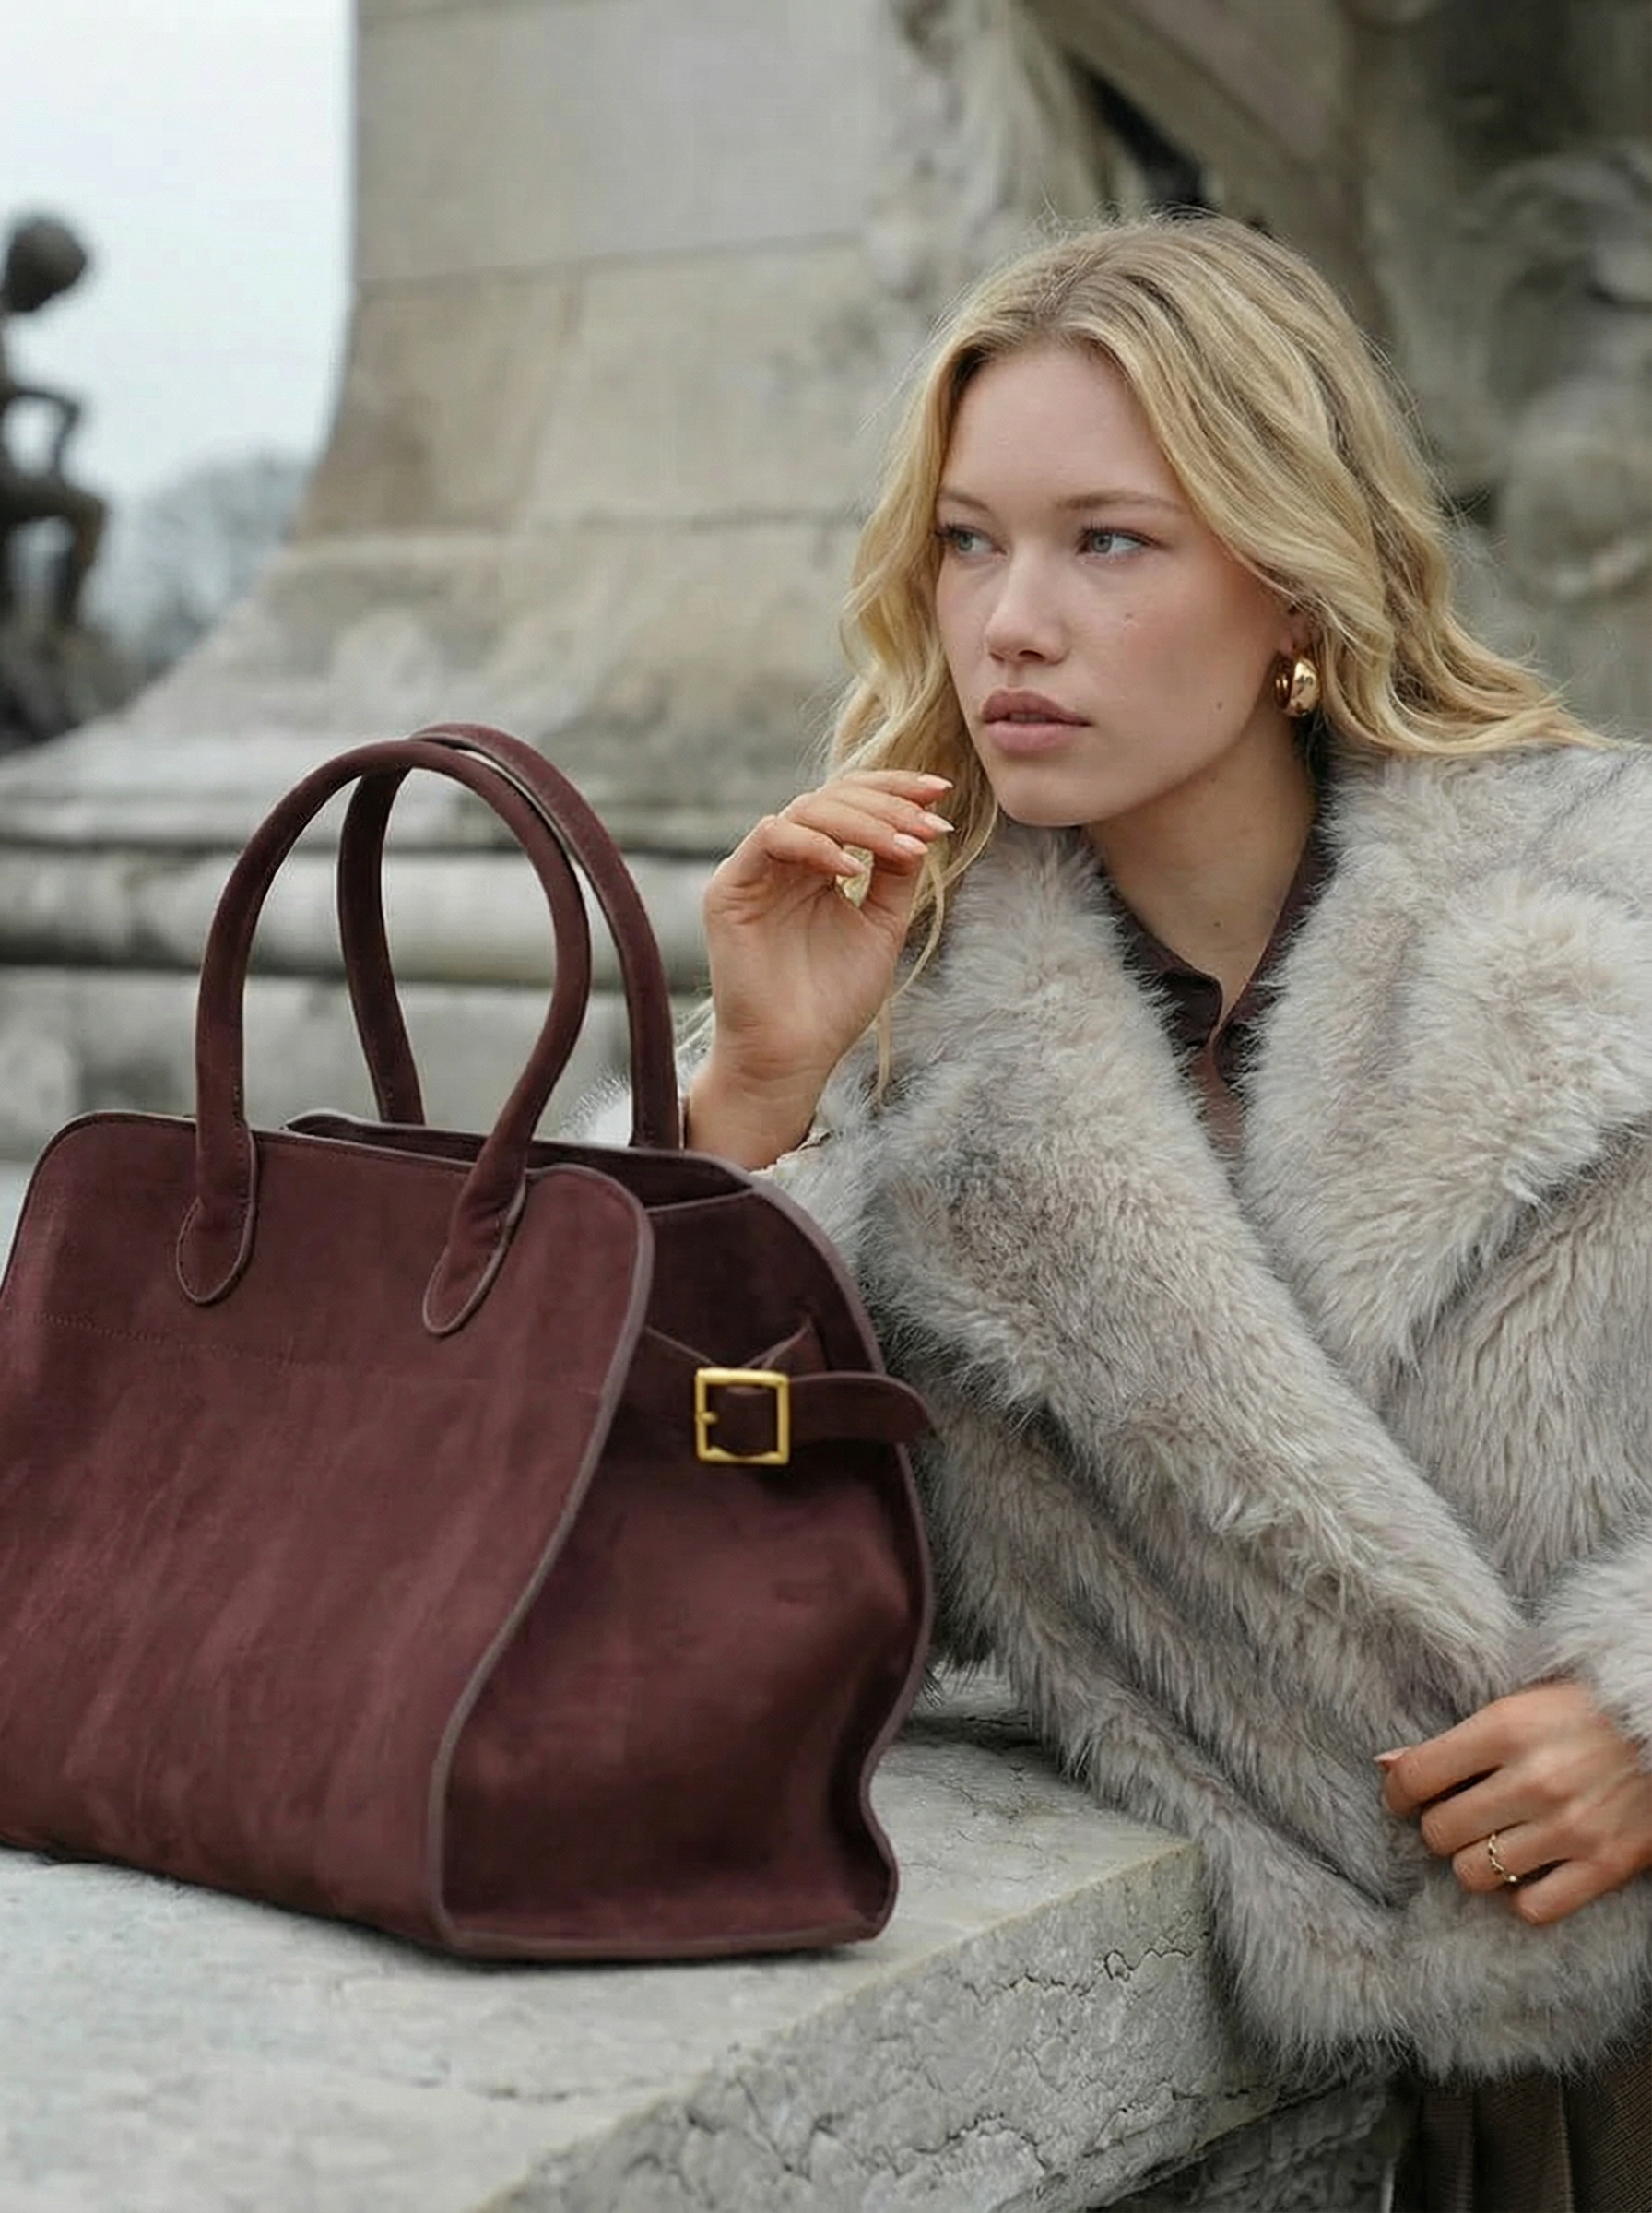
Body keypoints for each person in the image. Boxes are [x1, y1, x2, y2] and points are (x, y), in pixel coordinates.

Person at [678, 215, 1652, 2207]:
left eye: (1107, 542)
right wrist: (749, 1105)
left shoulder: (1606, 898)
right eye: (967, 544)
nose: (1010, 624)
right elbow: (677, 1567)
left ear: (1290, 578)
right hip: (1327, 2119)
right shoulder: (891, 1021)